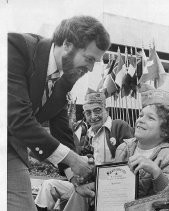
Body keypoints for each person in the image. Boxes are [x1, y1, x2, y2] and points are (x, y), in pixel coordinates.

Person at [8, 16, 111, 211]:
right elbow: (18, 119)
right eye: (89, 59)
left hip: (10, 150)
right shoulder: (16, 48)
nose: (90, 68)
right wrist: (72, 159)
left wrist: (75, 177)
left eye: (94, 62)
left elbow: (61, 130)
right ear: (67, 44)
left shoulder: (65, 79)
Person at [63, 88, 134, 211]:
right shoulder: (89, 135)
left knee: (80, 193)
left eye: (97, 111)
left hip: (115, 183)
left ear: (106, 110)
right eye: (88, 113)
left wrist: (92, 173)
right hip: (94, 182)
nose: (93, 116)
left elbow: (127, 162)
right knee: (49, 186)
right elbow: (86, 159)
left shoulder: (118, 126)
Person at [115, 89, 169, 201]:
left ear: (167, 130)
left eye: (150, 118)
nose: (140, 120)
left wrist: (155, 171)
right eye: (141, 115)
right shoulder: (122, 148)